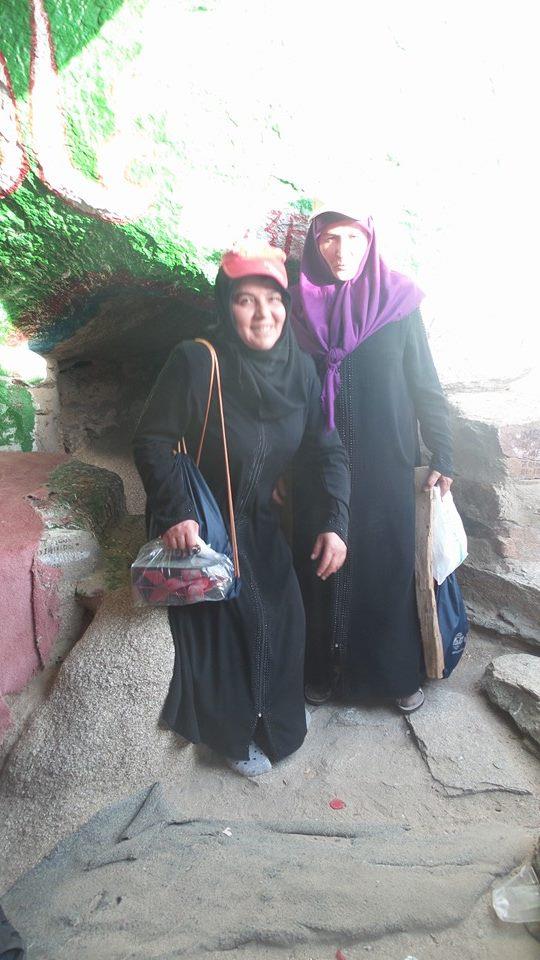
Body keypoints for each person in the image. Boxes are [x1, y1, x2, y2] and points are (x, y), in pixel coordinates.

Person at [133, 245, 349, 776]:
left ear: (287, 305)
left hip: (260, 519)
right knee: (238, 618)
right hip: (202, 522)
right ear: (225, 306)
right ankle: (235, 734)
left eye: (273, 300)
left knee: (286, 613)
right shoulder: (196, 360)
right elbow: (152, 439)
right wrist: (176, 512)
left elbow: (326, 449)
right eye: (245, 300)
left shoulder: (301, 370)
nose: (262, 314)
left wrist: (335, 522)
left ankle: (272, 719)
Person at [291, 209, 453, 713]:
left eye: (353, 238)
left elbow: (425, 383)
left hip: (386, 462)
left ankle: (394, 673)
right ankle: (324, 671)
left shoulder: (398, 301)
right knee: (320, 566)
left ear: (370, 241)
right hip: (316, 463)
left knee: (386, 566)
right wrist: (277, 464)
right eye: (329, 239)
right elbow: (282, 395)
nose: (341, 251)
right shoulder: (299, 303)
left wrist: (444, 451)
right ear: (314, 243)